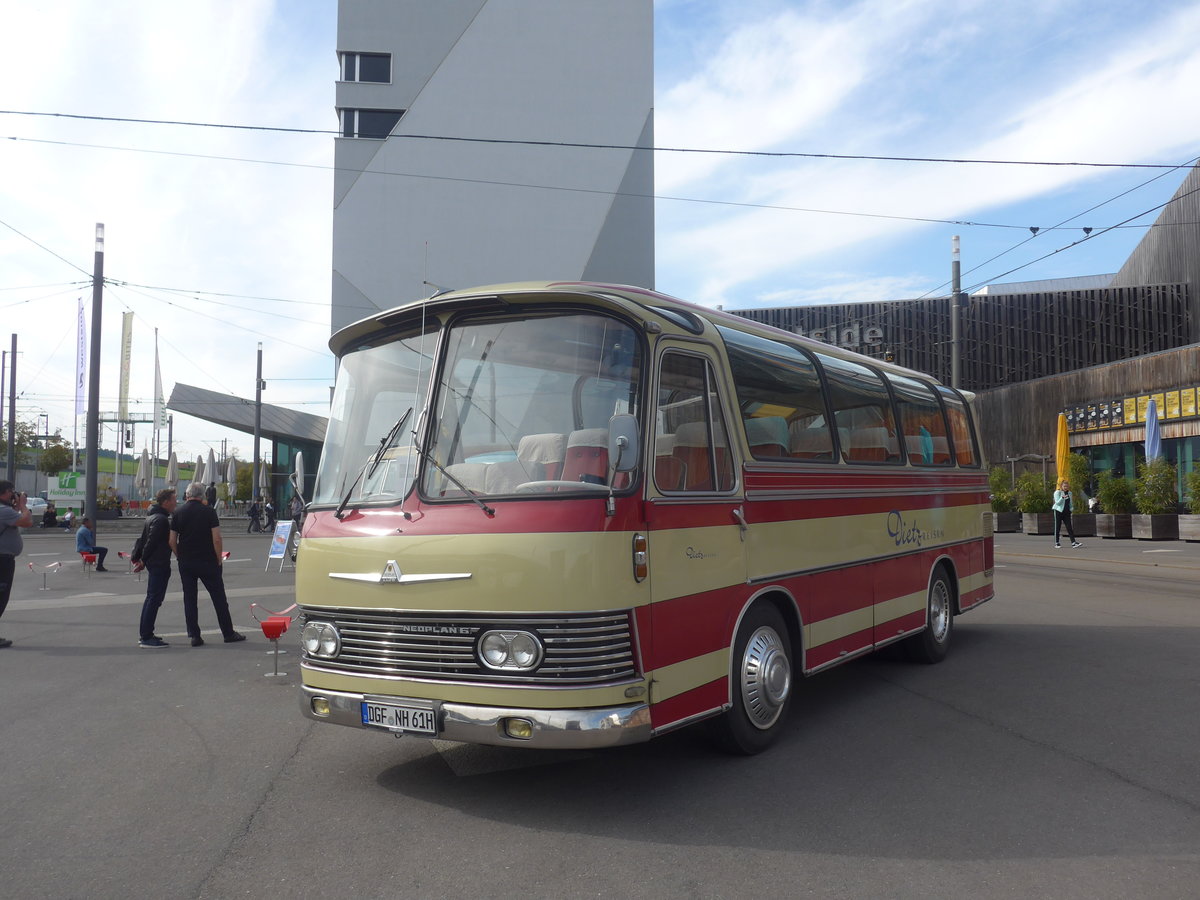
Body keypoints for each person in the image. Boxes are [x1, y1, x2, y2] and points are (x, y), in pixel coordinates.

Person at [169, 481, 245, 647]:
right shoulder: (209, 512)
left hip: (186, 561)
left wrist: (179, 555)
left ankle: (194, 635)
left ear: (187, 495)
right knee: (218, 598)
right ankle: (228, 632)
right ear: (201, 495)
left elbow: (172, 540)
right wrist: (218, 558)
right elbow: (216, 538)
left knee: (190, 598)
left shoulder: (178, 513)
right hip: (207, 560)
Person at [132, 488, 178, 649]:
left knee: (152, 598)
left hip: (155, 562)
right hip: (158, 563)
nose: (175, 503)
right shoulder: (161, 520)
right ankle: (146, 636)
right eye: (174, 499)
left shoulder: (152, 516)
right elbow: (150, 541)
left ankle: (147, 633)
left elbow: (142, 539)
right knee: (153, 599)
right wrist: (143, 560)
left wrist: (139, 558)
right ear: (165, 502)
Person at [0, 480, 33, 648]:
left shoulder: (5, 511)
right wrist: (23, 505)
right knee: (1, 597)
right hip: (3, 561)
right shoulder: (4, 511)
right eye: (12, 492)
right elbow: (27, 521)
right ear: (6, 492)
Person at [1053, 478, 1082, 549]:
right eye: (1064, 486)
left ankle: (1073, 542)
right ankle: (1057, 542)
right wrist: (1062, 497)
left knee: (1069, 527)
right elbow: (1057, 503)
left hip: (1066, 512)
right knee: (1058, 526)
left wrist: (1071, 509)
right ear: (1061, 486)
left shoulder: (1070, 493)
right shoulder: (1057, 492)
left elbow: (1070, 503)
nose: (1066, 488)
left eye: (1067, 486)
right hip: (1058, 511)